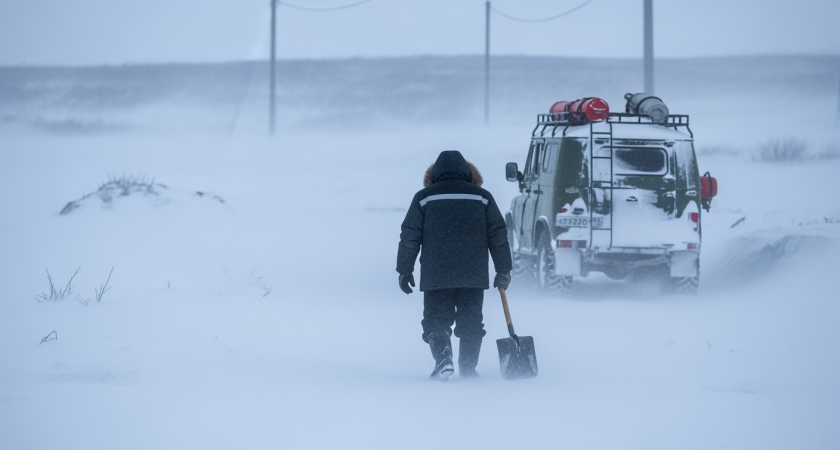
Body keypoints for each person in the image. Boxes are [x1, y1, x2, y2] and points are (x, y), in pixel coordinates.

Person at [396, 150, 512, 381]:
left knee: (436, 321)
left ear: (435, 174)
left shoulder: (424, 197)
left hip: (436, 274)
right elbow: (498, 236)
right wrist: (504, 270)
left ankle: (443, 360)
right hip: (473, 274)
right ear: (468, 173)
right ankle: (468, 369)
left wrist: (404, 270)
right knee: (471, 324)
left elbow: (409, 236)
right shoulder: (482, 197)